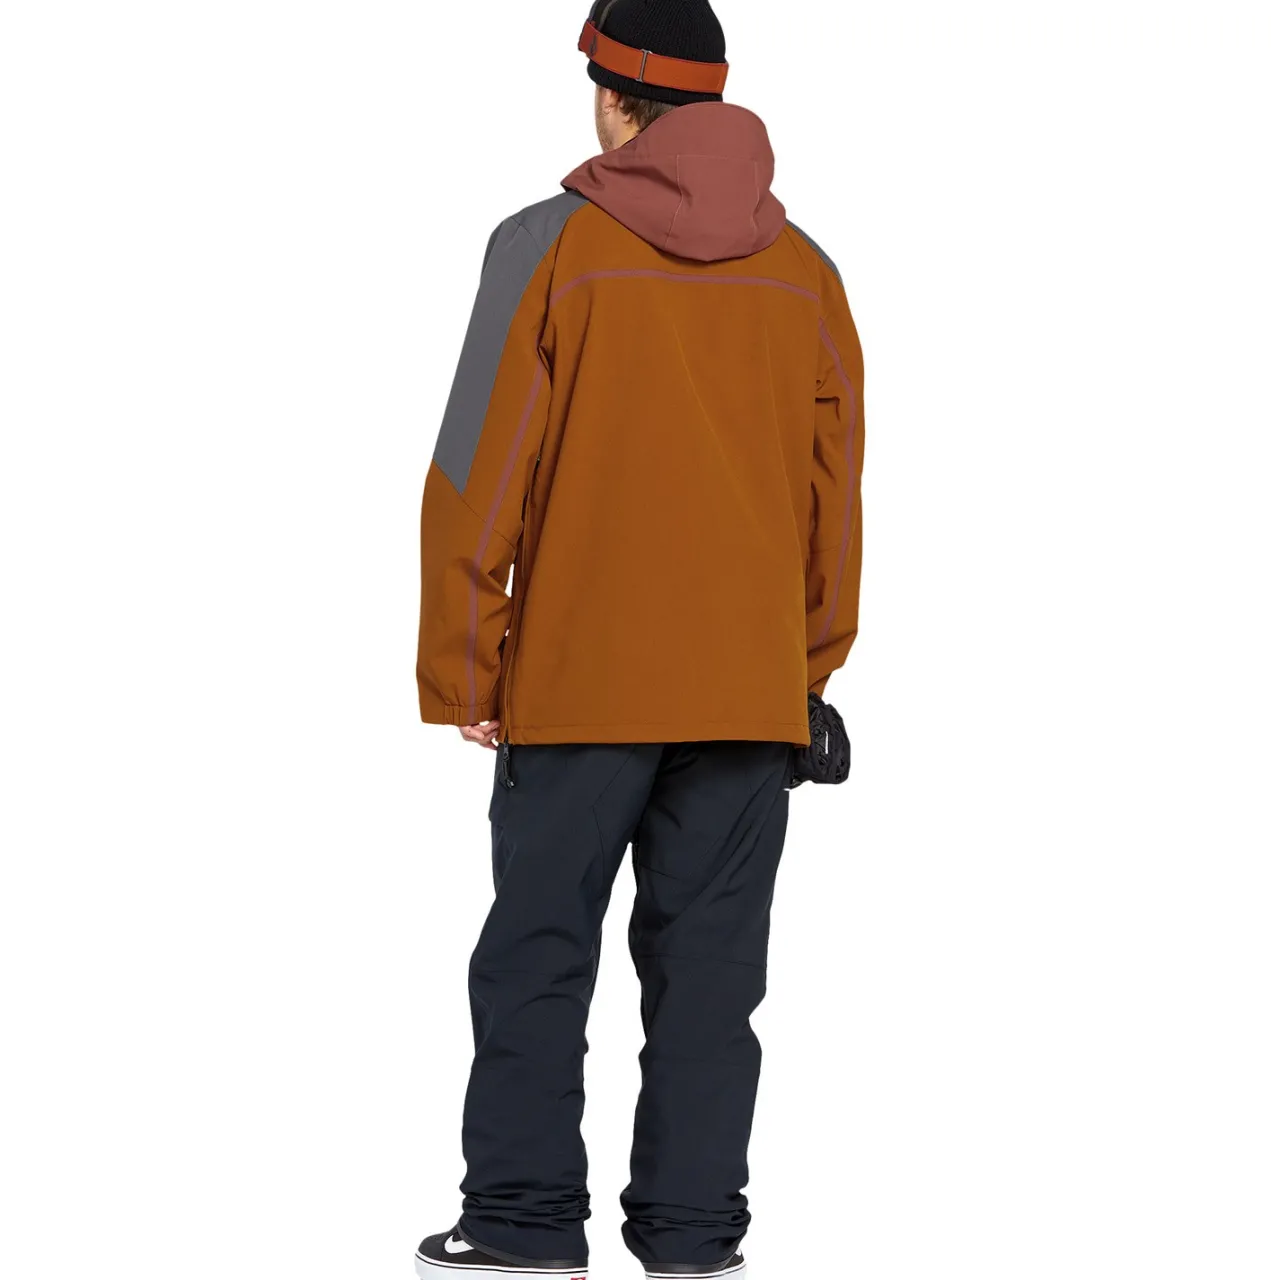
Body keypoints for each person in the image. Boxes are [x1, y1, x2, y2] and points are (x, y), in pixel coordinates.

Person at [413, 1, 864, 1276]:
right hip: (744, 694)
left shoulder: (546, 244)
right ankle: (691, 1238)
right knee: (711, 980)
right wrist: (802, 671)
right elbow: (833, 497)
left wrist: (466, 662)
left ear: (611, 98)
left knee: (536, 956)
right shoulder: (807, 271)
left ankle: (520, 1223)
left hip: (577, 683)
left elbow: (476, 469)